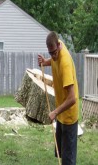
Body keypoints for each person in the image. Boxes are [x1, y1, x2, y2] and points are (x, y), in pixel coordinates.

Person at [38, 32, 79, 165]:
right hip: (61, 114)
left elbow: (73, 98)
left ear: (59, 47)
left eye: (54, 53)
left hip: (68, 117)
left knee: (68, 160)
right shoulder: (57, 45)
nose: (53, 56)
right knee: (61, 154)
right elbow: (55, 60)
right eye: (50, 53)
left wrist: (55, 112)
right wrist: (46, 61)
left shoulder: (65, 63)